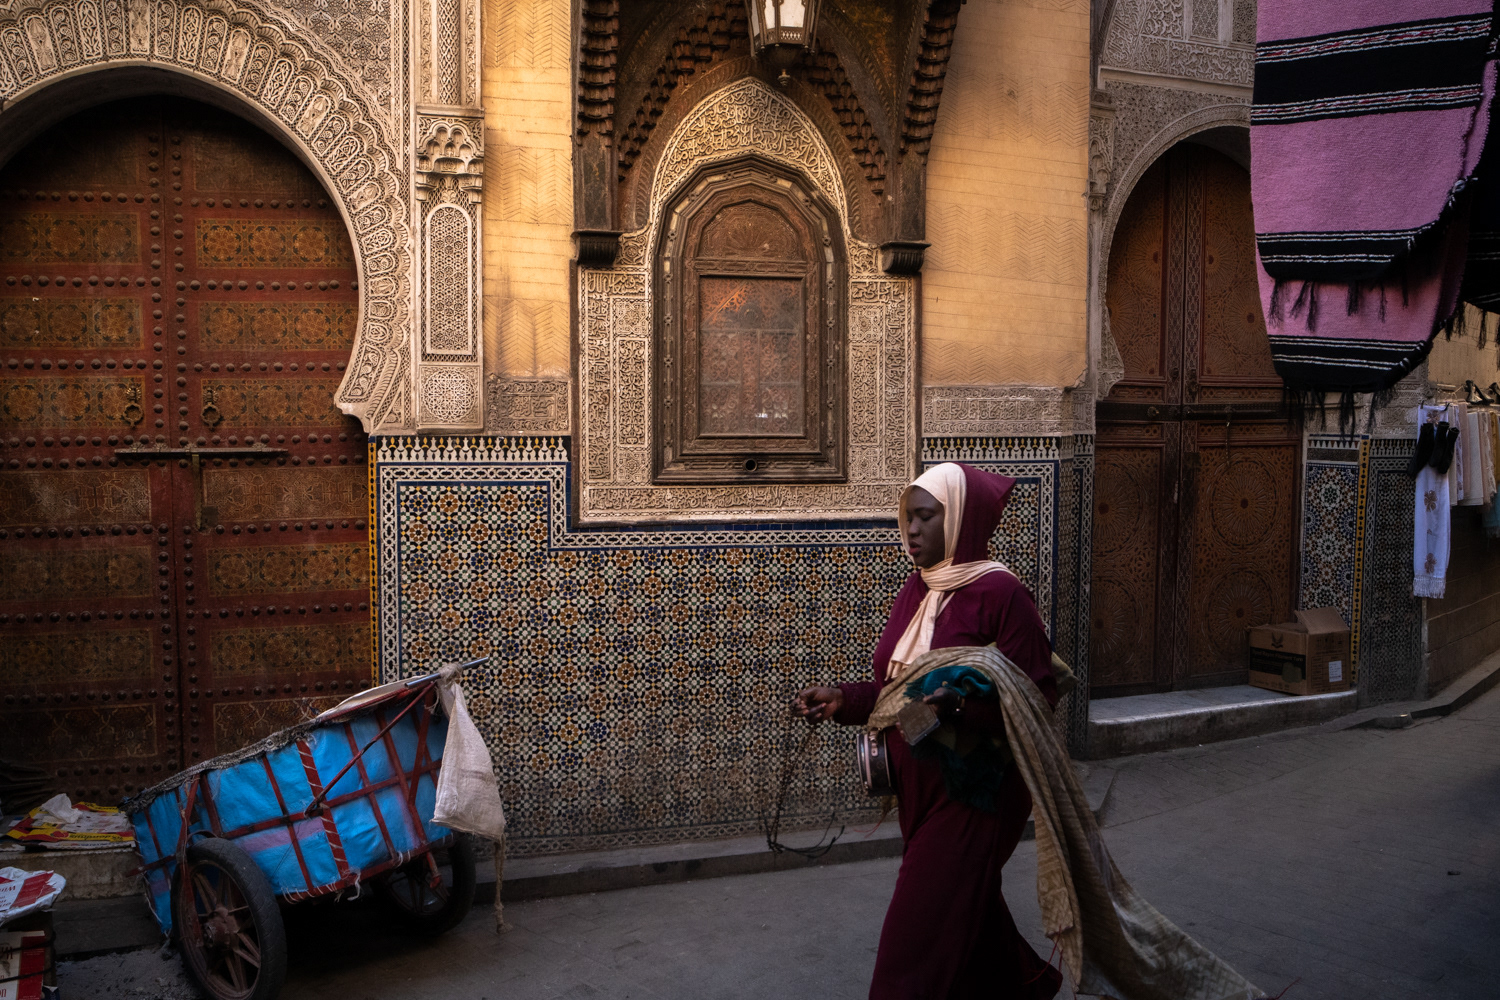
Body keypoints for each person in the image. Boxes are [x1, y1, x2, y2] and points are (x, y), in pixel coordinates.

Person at [794, 462, 1063, 1000]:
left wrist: (960, 707)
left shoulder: (1001, 594)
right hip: (918, 788)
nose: (911, 529)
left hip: (974, 794)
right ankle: (1023, 983)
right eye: (907, 517)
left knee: (914, 941)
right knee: (965, 907)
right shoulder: (917, 589)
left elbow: (1037, 697)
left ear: (960, 520)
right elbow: (897, 689)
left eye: (925, 517)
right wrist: (845, 699)